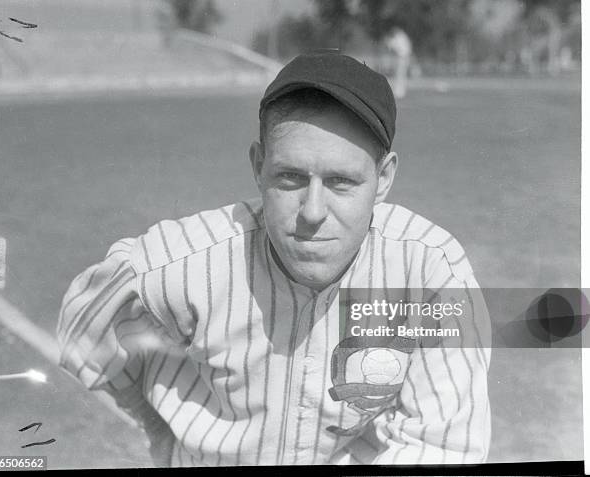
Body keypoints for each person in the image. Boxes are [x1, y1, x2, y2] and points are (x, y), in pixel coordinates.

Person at [57, 52, 491, 467]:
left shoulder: (431, 272)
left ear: (383, 179)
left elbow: (442, 443)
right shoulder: (178, 264)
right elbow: (83, 327)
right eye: (291, 178)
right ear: (259, 166)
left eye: (341, 182)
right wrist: (157, 428)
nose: (313, 212)